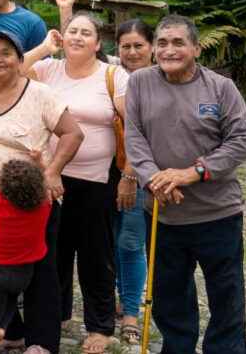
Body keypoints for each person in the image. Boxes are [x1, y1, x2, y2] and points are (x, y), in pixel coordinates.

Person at [0, 30, 84, 353]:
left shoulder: (40, 94)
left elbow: (73, 134)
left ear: (20, 60)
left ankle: (42, 341)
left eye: (6, 53)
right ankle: (11, 332)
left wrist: (52, 172)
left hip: (33, 205)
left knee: (40, 270)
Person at [126, 15, 246, 354]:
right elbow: (135, 138)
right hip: (163, 212)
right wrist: (154, 179)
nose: (169, 50)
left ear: (196, 48)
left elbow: (241, 141)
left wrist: (191, 173)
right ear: (154, 50)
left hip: (218, 213)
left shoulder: (221, 88)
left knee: (226, 295)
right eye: (162, 43)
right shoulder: (139, 82)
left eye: (178, 42)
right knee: (170, 295)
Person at [21, 11, 129, 353]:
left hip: (97, 180)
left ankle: (100, 326)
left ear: (98, 43)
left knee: (96, 254)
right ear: (62, 37)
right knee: (54, 250)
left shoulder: (113, 75)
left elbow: (133, 125)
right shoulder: (48, 69)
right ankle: (59, 313)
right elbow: (11, 72)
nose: (78, 37)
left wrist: (130, 175)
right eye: (72, 31)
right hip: (50, 175)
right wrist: (43, 48)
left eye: (86, 33)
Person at [0, 158, 52, 354]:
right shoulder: (44, 206)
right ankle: (2, 328)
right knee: (11, 299)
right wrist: (40, 163)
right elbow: (48, 186)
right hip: (24, 271)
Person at [109, 18, 154, 342]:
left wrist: (131, 175)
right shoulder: (113, 75)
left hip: (138, 172)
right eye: (126, 46)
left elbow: (147, 135)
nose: (132, 52)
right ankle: (120, 296)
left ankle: (130, 313)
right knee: (112, 239)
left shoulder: (160, 80)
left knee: (130, 240)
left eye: (139, 45)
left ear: (151, 47)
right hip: (108, 169)